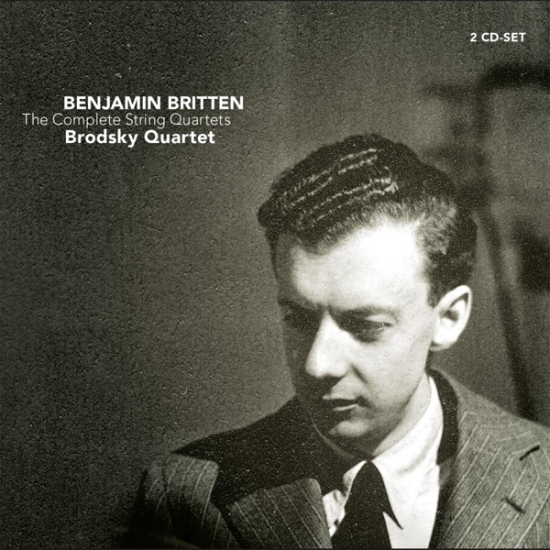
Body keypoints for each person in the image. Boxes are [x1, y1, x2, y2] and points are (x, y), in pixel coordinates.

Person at [129, 134, 550, 548]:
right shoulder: (187, 497)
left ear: (448, 318)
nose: (318, 364)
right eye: (297, 318)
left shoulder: (545, 479)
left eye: (365, 325)